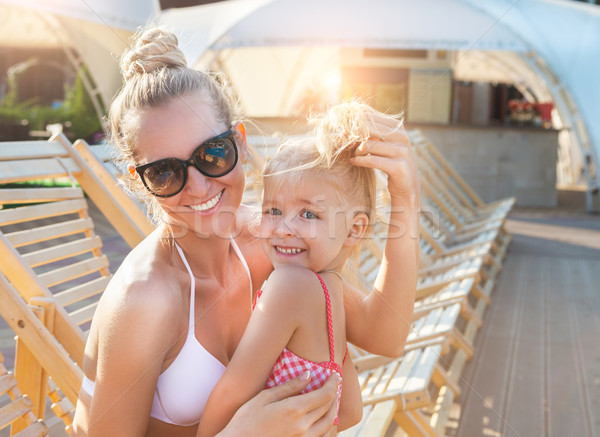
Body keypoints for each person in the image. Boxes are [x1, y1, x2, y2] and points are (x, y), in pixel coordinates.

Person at [71, 27, 420, 437]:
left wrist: (406, 195)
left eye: (213, 154)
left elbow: (386, 336)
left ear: (239, 141)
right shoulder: (145, 299)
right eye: (165, 172)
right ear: (139, 180)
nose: (199, 187)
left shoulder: (271, 240)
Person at [198, 101, 383, 436]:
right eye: (272, 210)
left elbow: (230, 392)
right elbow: (351, 411)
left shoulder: (289, 285)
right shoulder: (332, 298)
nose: (283, 228)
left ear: (354, 229)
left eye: (309, 214)